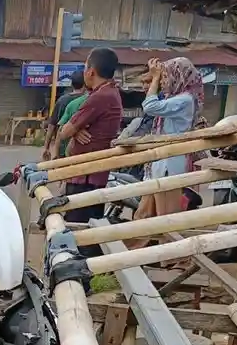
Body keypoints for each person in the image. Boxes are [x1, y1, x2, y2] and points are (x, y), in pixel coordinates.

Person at [53, 47, 124, 235]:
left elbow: (65, 131)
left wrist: (73, 130)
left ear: (91, 71)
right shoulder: (106, 93)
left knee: (79, 232)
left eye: (85, 67)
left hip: (86, 177)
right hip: (88, 174)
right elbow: (68, 131)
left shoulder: (101, 97)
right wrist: (76, 132)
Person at [137, 57, 206, 220]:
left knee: (165, 218)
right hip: (162, 163)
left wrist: (154, 78)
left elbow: (149, 107)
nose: (163, 81)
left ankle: (166, 245)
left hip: (170, 165)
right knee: (145, 215)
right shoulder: (176, 98)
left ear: (179, 76)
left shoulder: (185, 100)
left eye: (166, 77)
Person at [42, 69, 86, 162]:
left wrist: (46, 148)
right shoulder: (88, 100)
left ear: (71, 84)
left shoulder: (62, 100)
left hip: (62, 149)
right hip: (81, 149)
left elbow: (51, 126)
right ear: (85, 84)